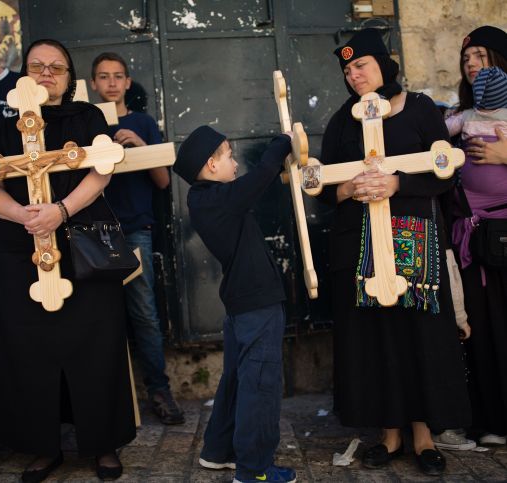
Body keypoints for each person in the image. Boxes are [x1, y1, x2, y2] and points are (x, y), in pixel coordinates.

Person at [319, 28, 471, 476]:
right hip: (361, 246)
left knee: (418, 335)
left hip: (413, 241)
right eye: (347, 70)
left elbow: (445, 172)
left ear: (384, 64)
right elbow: (322, 187)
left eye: (361, 65)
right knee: (376, 339)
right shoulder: (341, 120)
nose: (354, 76)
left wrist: (398, 182)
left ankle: (424, 437)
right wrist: (348, 188)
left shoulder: (420, 109)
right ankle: (389, 434)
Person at [0, 39, 136, 482]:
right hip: (20, 249)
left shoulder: (88, 118)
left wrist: (60, 211)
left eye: (57, 68)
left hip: (81, 246)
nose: (47, 74)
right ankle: (42, 446)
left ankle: (103, 444)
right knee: (28, 351)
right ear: (22, 75)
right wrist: (22, 216)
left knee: (96, 345)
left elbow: (101, 171)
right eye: (37, 67)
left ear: (70, 79)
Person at [173, 126, 296, 483]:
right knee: (260, 384)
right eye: (229, 155)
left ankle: (218, 450)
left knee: (238, 380)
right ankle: (254, 468)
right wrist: (284, 141)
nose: (235, 161)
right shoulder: (218, 199)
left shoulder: (208, 199)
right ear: (211, 164)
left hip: (244, 303)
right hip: (256, 304)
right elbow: (264, 173)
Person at [90, 52, 184, 425]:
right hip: (95, 231)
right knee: (98, 316)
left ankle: (159, 392)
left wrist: (139, 144)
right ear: (93, 84)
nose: (111, 83)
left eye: (118, 76)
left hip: (134, 230)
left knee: (143, 313)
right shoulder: (88, 123)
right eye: (103, 77)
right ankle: (107, 398)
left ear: (128, 83)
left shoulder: (143, 122)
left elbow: (162, 182)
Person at [449, 25, 507, 447]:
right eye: (467, 59)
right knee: (481, 330)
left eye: (481, 58)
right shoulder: (460, 115)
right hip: (471, 237)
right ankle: (489, 419)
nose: (471, 65)